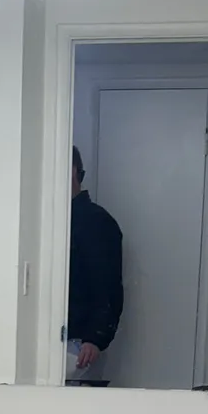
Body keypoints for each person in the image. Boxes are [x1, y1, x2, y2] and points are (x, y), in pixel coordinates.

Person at [67, 146, 123, 382]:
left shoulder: (95, 221)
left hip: (79, 344)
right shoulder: (51, 219)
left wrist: (95, 338)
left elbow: (108, 285)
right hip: (61, 339)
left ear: (74, 171)